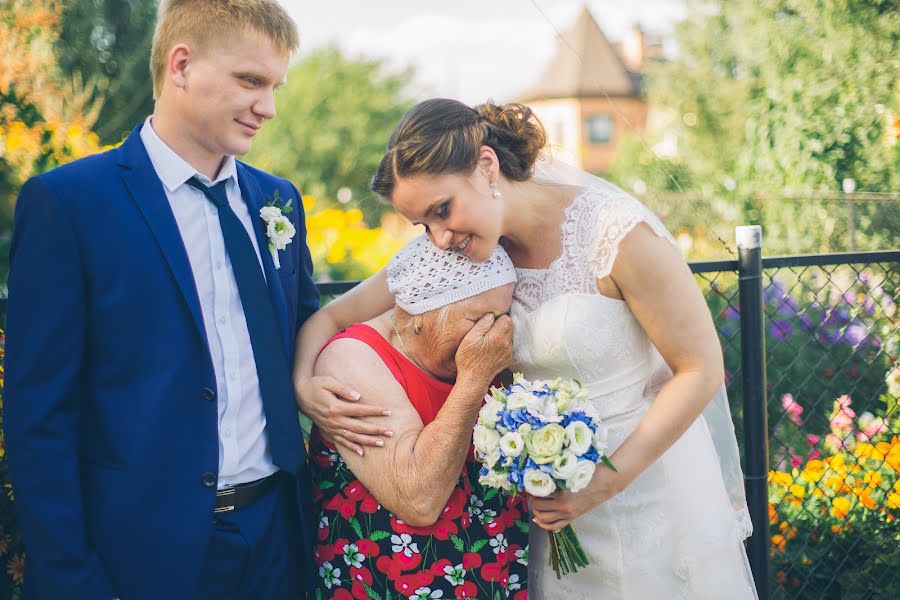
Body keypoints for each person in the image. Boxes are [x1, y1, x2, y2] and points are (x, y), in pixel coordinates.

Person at [294, 98, 758, 599]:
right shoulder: (464, 249)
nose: (439, 237)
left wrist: (602, 482)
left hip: (642, 490)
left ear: (487, 165)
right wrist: (304, 385)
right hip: (546, 507)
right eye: (423, 225)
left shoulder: (616, 233)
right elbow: (333, 314)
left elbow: (700, 369)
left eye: (442, 210)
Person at [3, 1, 319, 598]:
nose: (269, 108)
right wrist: (73, 580)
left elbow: (309, 333)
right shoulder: (69, 205)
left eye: (274, 86)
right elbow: (38, 417)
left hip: (278, 540)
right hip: (142, 556)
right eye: (251, 81)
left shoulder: (279, 200)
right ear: (180, 66)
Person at [309, 234, 528, 600]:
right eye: (478, 318)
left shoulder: (483, 351)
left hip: (492, 573)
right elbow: (419, 499)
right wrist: (474, 379)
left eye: (502, 317)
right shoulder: (351, 360)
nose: (493, 333)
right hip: (391, 580)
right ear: (421, 313)